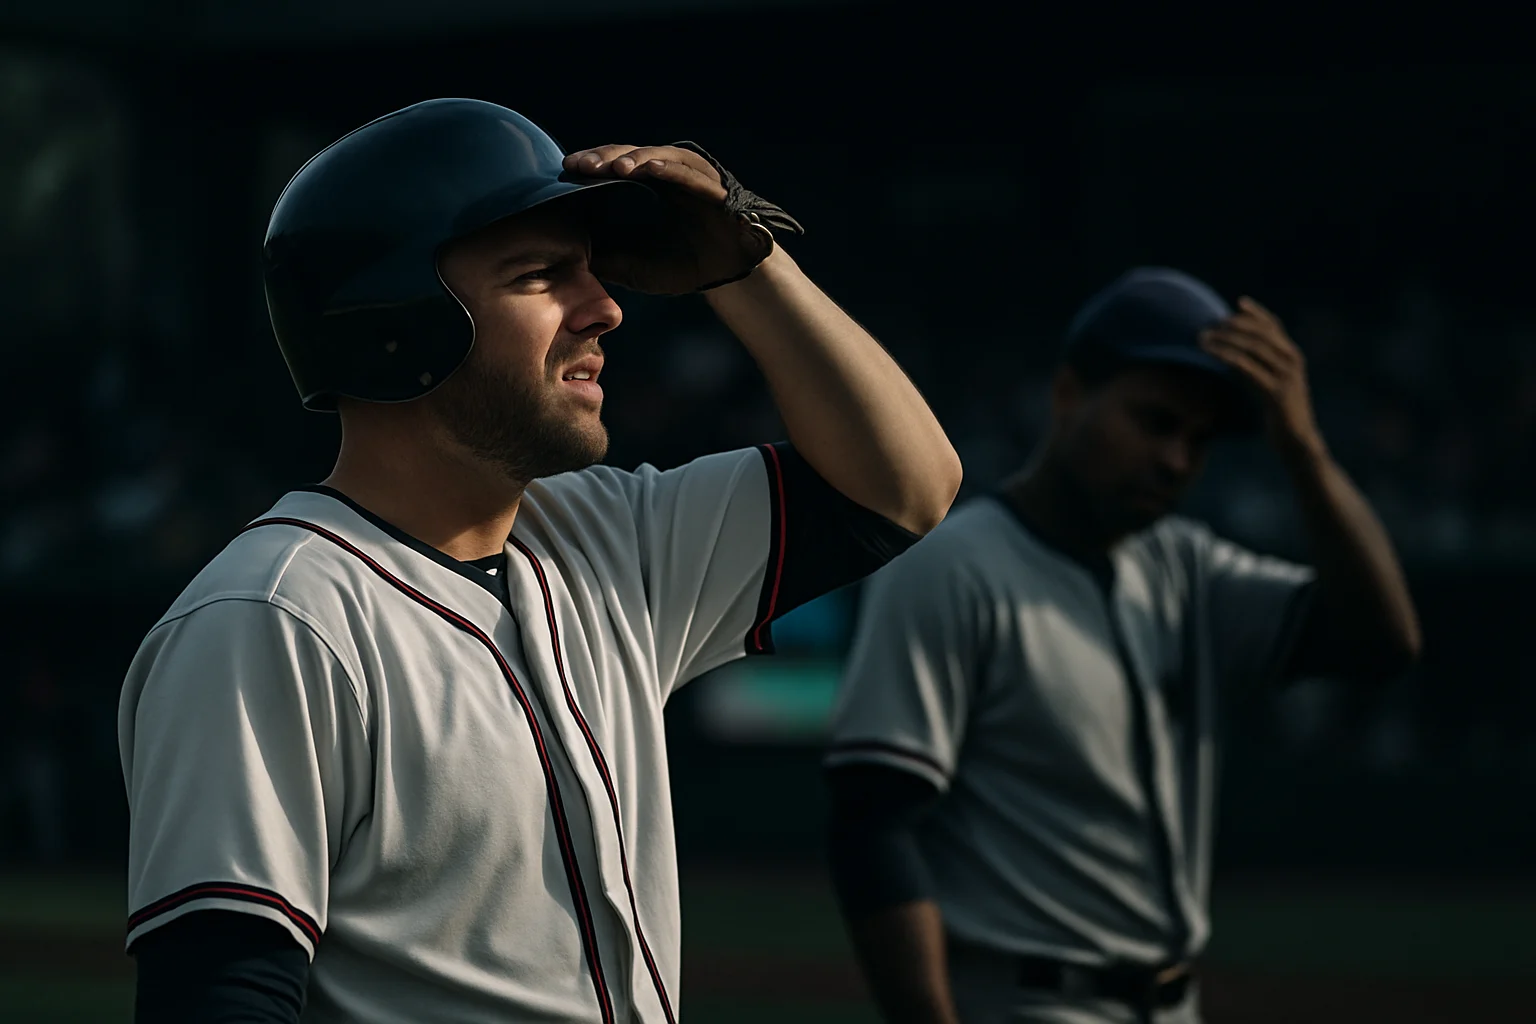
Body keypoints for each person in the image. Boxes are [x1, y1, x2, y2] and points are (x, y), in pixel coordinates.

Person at [118, 98, 961, 1024]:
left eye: (590, 272)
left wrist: (748, 263)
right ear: (401, 319)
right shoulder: (272, 617)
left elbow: (902, 487)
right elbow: (222, 994)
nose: (604, 308)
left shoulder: (603, 539)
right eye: (540, 275)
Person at [824, 267, 1421, 1024]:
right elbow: (874, 824)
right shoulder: (953, 565)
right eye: (1155, 421)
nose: (1177, 458)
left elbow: (1381, 641)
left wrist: (1302, 450)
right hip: (1022, 1002)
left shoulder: (1187, 565)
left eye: (1198, 439)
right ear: (1070, 395)